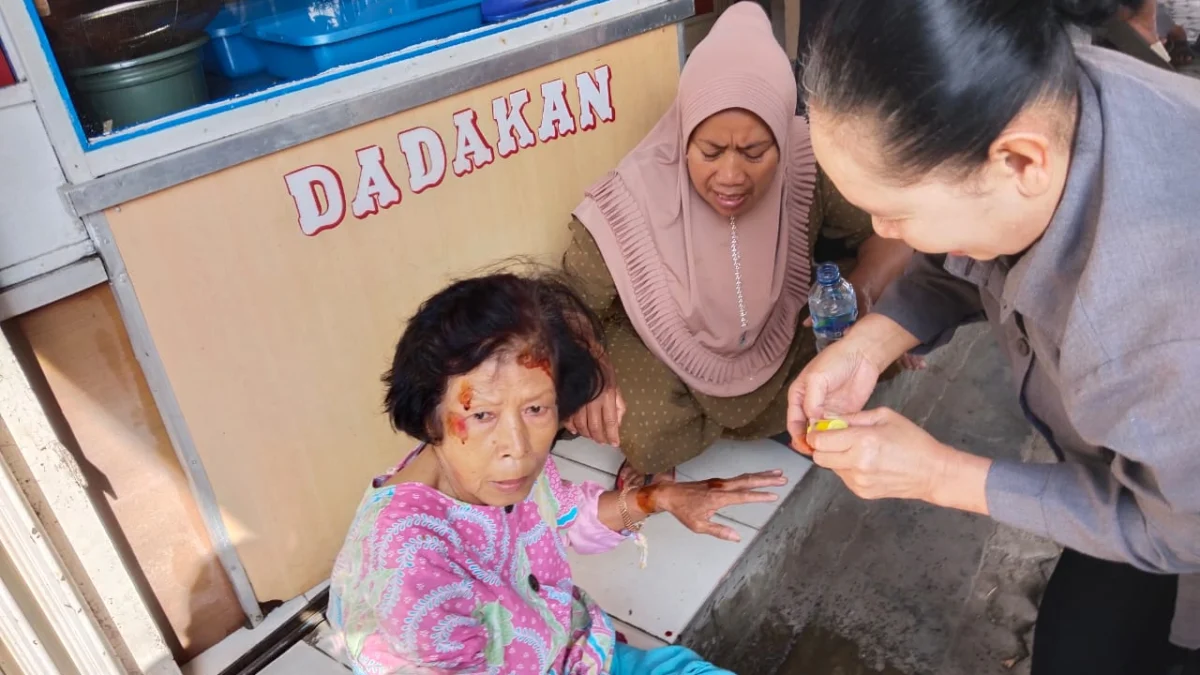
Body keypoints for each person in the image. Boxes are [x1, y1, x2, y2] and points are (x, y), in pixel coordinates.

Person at [788, 0, 1200, 672]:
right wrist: (869, 343)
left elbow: (1177, 527)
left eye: (893, 212)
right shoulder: (1052, 94)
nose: (881, 234)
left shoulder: (1146, 326)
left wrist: (937, 474)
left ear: (1018, 159)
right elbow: (974, 247)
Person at [328, 272, 786, 673]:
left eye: (535, 408)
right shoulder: (410, 561)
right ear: (428, 415)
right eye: (483, 415)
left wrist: (660, 499)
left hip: (571, 647)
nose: (518, 448)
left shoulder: (493, 474)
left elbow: (568, 516)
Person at [561, 2, 914, 489]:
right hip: (667, 357)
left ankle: (735, 419)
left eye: (754, 153)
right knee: (645, 432)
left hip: (781, 331)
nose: (729, 177)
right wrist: (594, 370)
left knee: (878, 350)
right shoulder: (628, 199)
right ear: (683, 135)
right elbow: (568, 306)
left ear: (782, 142)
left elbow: (891, 231)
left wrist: (861, 292)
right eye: (709, 152)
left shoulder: (806, 159)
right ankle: (746, 418)